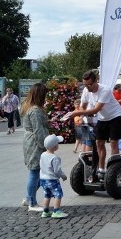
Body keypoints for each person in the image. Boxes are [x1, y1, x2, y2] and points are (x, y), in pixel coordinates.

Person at [68, 70, 121, 177]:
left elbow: (96, 110)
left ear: (96, 81)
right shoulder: (86, 90)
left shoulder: (105, 90)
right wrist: (80, 117)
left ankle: (114, 168)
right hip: (103, 118)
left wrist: (77, 113)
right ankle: (101, 169)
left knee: (113, 142)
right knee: (99, 142)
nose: (87, 87)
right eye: (85, 85)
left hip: (115, 116)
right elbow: (83, 106)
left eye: (89, 84)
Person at [21, 83, 50, 212]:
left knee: (37, 172)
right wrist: (47, 145)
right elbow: (39, 131)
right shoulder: (35, 110)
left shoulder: (29, 107)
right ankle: (32, 203)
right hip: (35, 144)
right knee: (35, 173)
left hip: (30, 141)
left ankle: (28, 198)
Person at [39, 134, 68, 218]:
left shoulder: (42, 155)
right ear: (55, 146)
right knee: (58, 194)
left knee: (47, 195)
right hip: (52, 180)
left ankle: (45, 211)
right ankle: (56, 211)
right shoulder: (55, 158)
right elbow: (57, 171)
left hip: (43, 179)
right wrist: (63, 176)